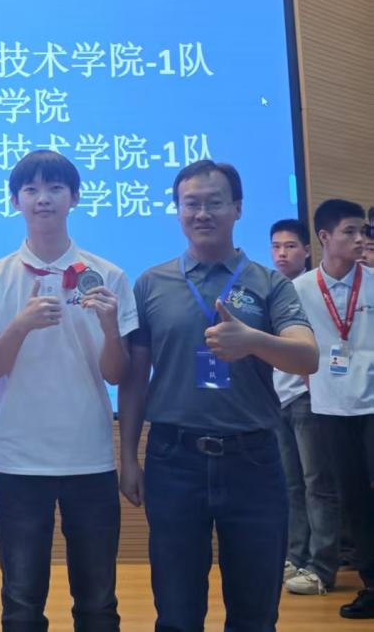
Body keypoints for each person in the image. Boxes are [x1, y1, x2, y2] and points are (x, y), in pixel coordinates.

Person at [118, 159, 317, 631]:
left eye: (214, 202)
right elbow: (134, 378)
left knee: (254, 614)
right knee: (177, 612)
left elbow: (307, 357)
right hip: (173, 458)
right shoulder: (151, 283)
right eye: (191, 204)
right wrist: (127, 456)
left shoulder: (269, 283)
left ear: (238, 208)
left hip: (253, 460)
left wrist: (253, 341)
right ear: (178, 210)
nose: (202, 213)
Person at [0, 150, 136, 631]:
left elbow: (116, 374)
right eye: (31, 190)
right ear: (15, 201)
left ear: (75, 198)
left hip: (90, 458)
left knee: (98, 603)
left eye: (55, 188)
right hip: (19, 460)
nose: (43, 199)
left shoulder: (107, 276)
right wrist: (20, 326)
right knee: (21, 604)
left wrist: (110, 327)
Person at [297, 199, 374, 619]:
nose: (361, 239)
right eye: (350, 231)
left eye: (364, 231)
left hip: (372, 405)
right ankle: (371, 584)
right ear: (324, 237)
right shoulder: (300, 289)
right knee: (352, 499)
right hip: (330, 408)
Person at [268, 218, 340, 596]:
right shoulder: (269, 288)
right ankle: (296, 557)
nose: (282, 254)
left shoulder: (314, 288)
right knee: (291, 484)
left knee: (318, 484)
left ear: (308, 250)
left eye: (291, 246)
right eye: (276, 247)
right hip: (277, 398)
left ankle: (322, 566)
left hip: (310, 398)